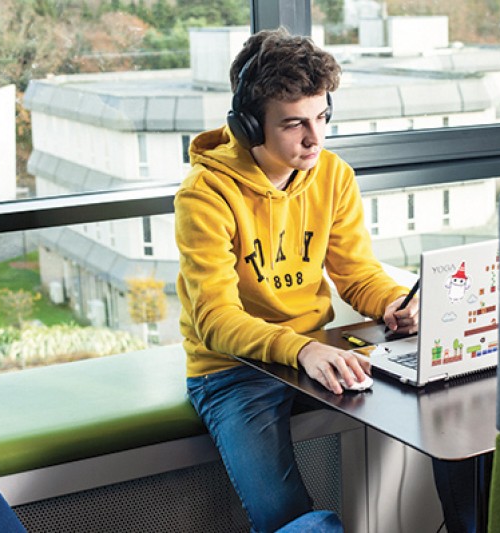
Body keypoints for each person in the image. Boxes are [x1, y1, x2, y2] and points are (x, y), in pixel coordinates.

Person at [174, 27, 419, 532]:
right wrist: (301, 349)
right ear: (248, 126)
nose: (315, 138)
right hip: (231, 369)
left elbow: (356, 273)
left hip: (320, 348)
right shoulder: (205, 194)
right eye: (293, 124)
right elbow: (214, 320)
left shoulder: (333, 175)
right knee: (287, 518)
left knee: (445, 414)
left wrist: (394, 302)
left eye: (322, 117)